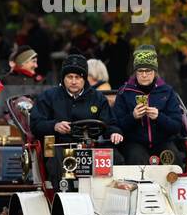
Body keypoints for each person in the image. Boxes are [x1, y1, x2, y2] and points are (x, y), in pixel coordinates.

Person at [30, 53, 124, 185]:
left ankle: (108, 195)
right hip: (61, 146)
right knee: (60, 160)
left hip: (91, 147)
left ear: (85, 79)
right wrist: (55, 126)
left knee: (117, 157)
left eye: (78, 77)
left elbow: (110, 123)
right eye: (69, 77)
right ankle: (64, 198)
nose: (74, 81)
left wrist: (115, 132)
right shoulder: (49, 97)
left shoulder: (97, 98)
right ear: (63, 78)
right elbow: (35, 125)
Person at [113, 46, 186, 165]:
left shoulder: (167, 91)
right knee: (136, 159)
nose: (144, 75)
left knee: (173, 158)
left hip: (163, 142)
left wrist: (159, 117)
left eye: (148, 71)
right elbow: (116, 125)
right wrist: (133, 117)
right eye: (140, 71)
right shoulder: (124, 92)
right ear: (135, 72)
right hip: (134, 143)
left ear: (155, 72)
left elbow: (176, 126)